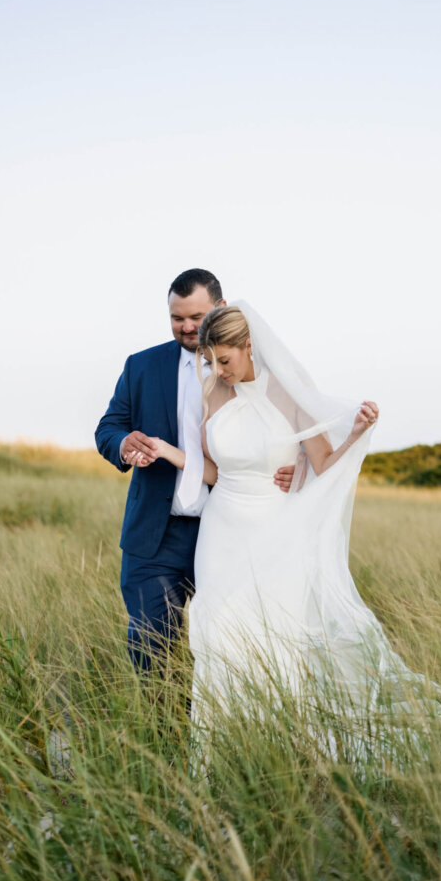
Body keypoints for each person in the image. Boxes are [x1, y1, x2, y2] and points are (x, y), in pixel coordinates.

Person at [148, 301, 430, 736]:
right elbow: (215, 472)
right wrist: (172, 453)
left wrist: (355, 434)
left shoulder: (289, 393)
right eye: (209, 361)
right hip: (221, 529)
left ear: (247, 346)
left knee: (273, 633)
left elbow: (324, 465)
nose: (217, 370)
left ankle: (277, 738)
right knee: (217, 631)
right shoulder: (211, 393)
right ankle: (215, 746)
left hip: (274, 531)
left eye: (224, 360)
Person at [95, 274, 298, 672]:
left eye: (197, 316)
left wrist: (297, 468)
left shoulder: (253, 368)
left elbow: (294, 432)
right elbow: (109, 427)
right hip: (156, 534)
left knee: (232, 645)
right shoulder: (141, 366)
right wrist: (123, 444)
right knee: (150, 645)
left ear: (221, 309)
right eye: (177, 318)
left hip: (230, 531)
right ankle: (163, 732)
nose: (187, 326)